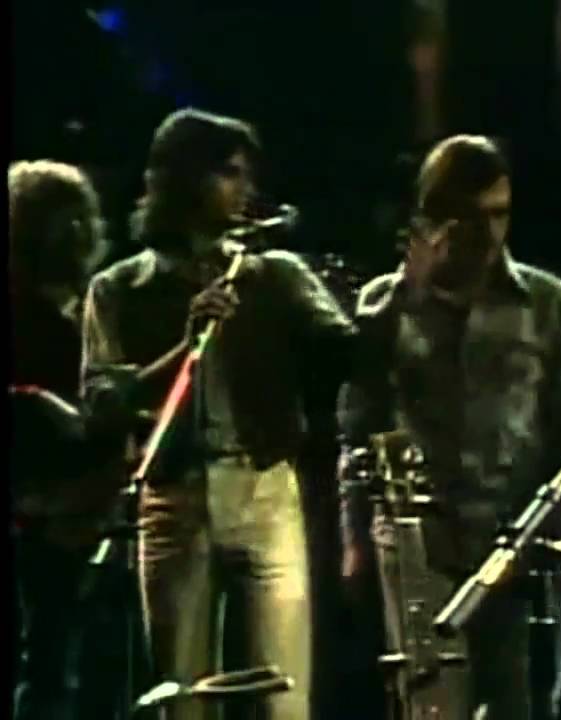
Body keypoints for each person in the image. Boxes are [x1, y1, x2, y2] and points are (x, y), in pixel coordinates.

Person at [80, 108, 355, 720]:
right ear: (182, 179)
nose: (245, 188)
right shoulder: (119, 288)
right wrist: (182, 346)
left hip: (264, 490)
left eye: (245, 174)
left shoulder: (274, 274)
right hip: (172, 498)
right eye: (228, 173)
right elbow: (102, 403)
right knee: (181, 699)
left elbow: (350, 354)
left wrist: (364, 305)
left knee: (283, 695)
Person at [338, 134, 561, 719]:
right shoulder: (384, 303)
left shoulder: (546, 302)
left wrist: (560, 541)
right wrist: (354, 539)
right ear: (433, 220)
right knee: (430, 704)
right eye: (470, 218)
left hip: (514, 541)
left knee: (516, 703)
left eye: (499, 215)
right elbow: (357, 427)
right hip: (417, 544)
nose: (488, 234)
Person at [8, 159, 119, 720]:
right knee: (49, 661)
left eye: (82, 216)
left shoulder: (97, 300)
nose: (77, 229)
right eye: (60, 218)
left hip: (100, 498)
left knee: (103, 662)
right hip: (37, 506)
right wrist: (35, 401)